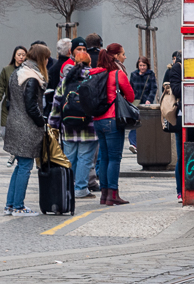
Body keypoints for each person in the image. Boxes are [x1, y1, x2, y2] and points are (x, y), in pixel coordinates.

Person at [3, 43, 51, 216]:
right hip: (26, 127)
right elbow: (31, 106)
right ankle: (18, 206)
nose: (47, 61)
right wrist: (41, 122)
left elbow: (10, 100)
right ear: (40, 58)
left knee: (19, 166)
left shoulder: (18, 72)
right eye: (46, 58)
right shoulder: (32, 77)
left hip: (15, 123)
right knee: (25, 166)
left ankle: (10, 205)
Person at [49, 40, 98, 198]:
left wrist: (53, 124)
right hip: (89, 126)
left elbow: (57, 102)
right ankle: (81, 188)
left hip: (68, 126)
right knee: (85, 158)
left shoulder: (66, 79)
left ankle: (68, 186)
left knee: (69, 157)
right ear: (89, 62)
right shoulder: (94, 77)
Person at [92, 43, 135, 206]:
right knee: (114, 158)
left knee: (104, 158)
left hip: (97, 120)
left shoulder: (95, 73)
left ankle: (104, 195)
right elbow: (130, 96)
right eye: (122, 53)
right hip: (112, 119)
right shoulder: (117, 74)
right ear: (115, 56)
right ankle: (113, 194)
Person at [0, 46, 28, 165]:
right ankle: (13, 151)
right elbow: (1, 86)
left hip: (22, 106)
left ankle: (15, 153)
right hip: (8, 105)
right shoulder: (7, 70)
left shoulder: (28, 70)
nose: (21, 57)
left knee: (19, 131)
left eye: (23, 55)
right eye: (19, 54)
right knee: (4, 131)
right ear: (14, 56)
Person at [163, 51, 183, 201]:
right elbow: (174, 90)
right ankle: (180, 190)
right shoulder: (176, 69)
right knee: (182, 155)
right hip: (181, 117)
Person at [127, 57, 156, 153]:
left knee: (143, 123)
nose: (142, 67)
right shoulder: (134, 74)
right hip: (135, 103)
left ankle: (139, 143)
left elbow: (153, 89)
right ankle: (133, 144)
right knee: (135, 123)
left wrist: (149, 100)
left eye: (144, 65)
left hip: (145, 103)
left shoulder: (150, 75)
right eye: (140, 65)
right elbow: (130, 88)